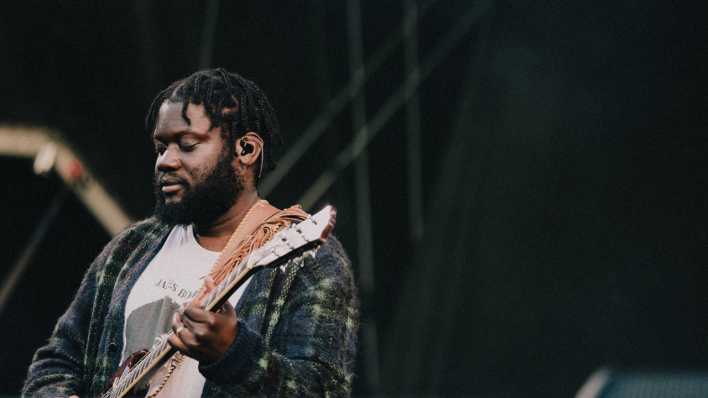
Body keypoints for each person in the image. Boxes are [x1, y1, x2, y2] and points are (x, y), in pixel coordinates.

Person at [22, 68, 359, 397]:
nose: (165, 162)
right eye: (160, 148)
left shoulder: (307, 259)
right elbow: (57, 358)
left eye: (186, 144)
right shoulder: (131, 246)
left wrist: (235, 354)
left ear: (246, 150)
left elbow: (323, 389)